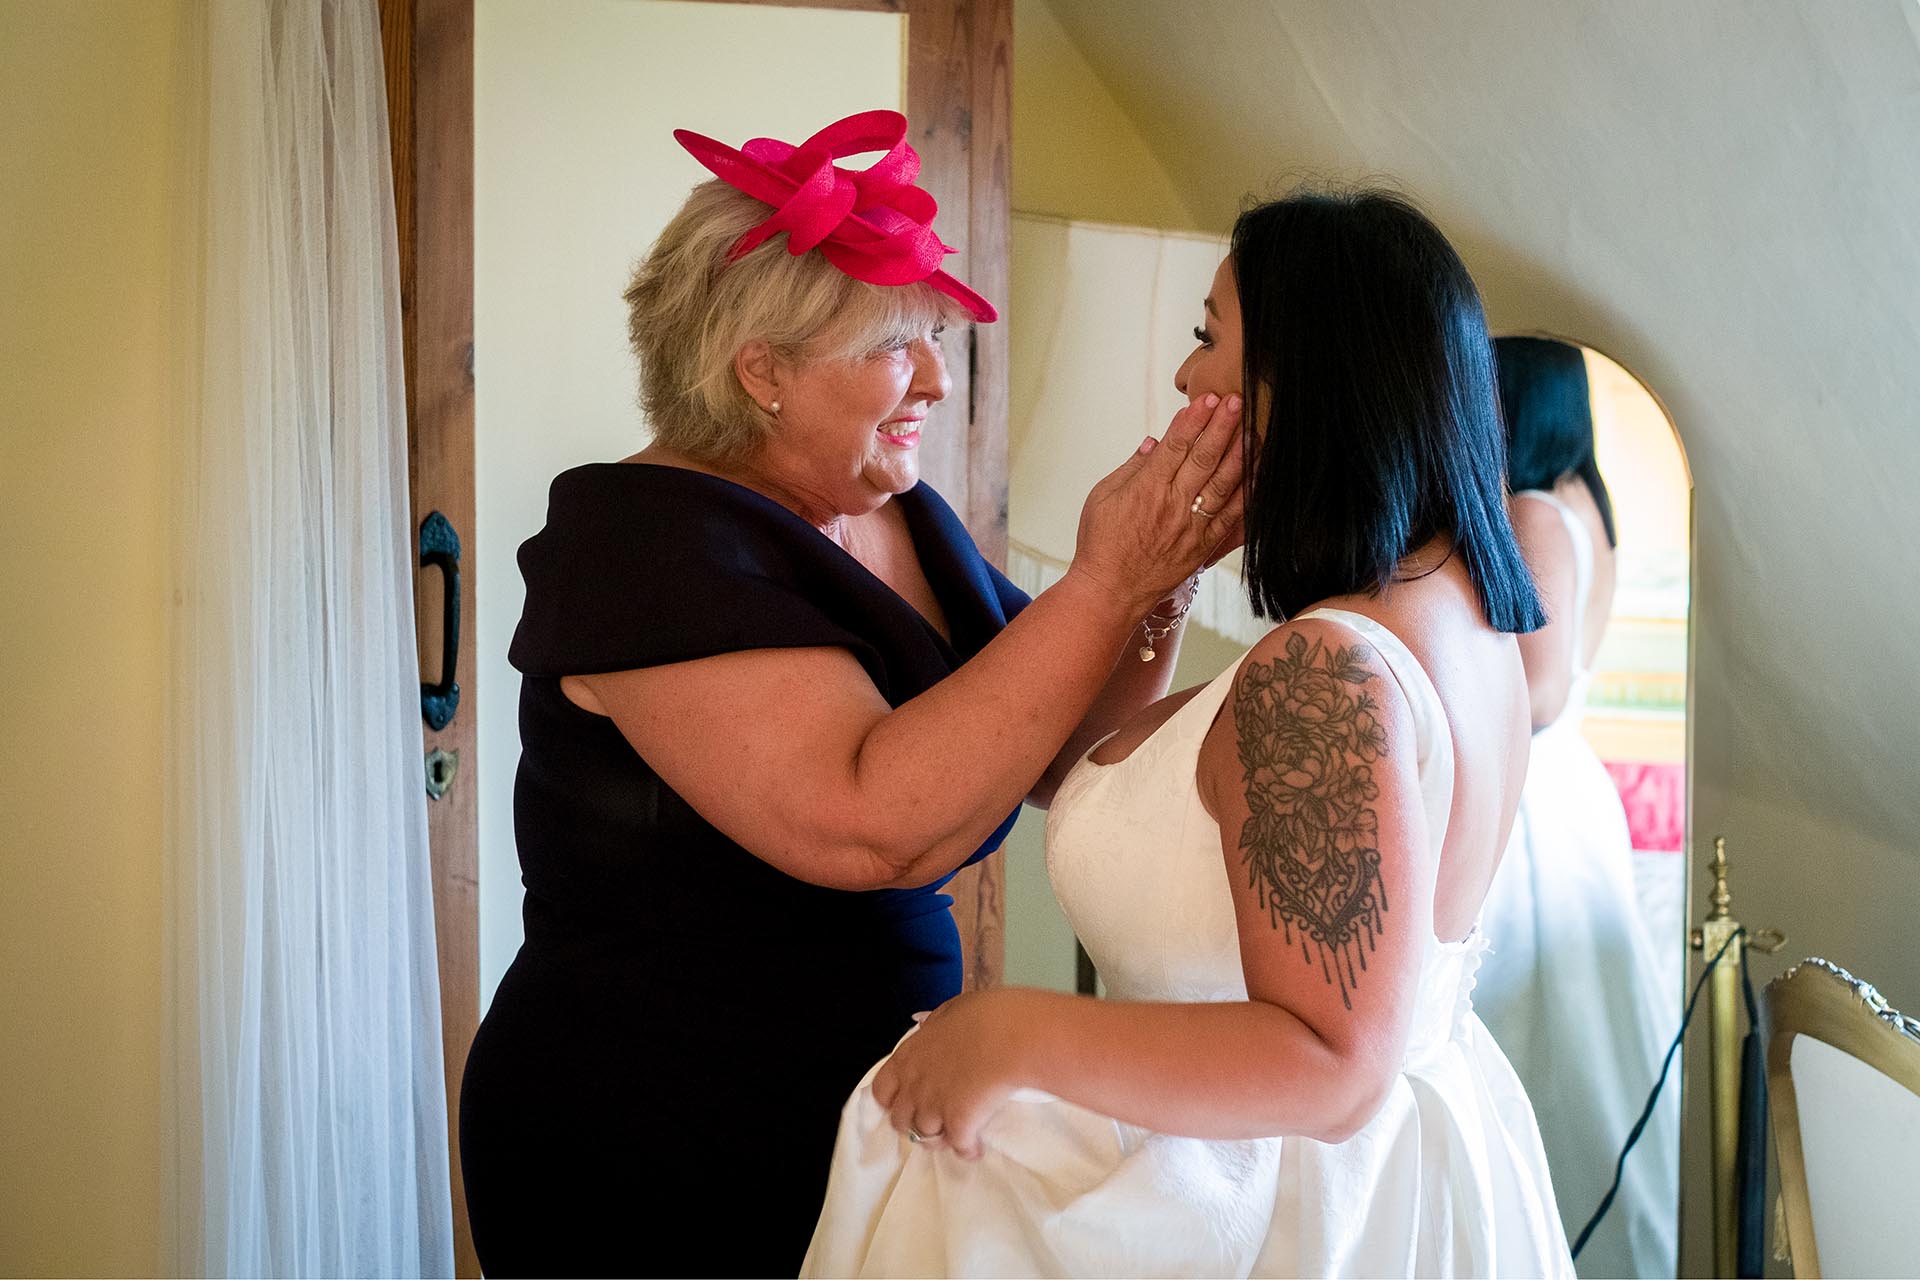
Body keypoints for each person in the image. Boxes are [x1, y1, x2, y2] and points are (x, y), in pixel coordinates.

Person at [456, 110, 1247, 1278]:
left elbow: (1059, 750)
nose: (936, 374)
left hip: (865, 1102)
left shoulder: (892, 507)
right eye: (895, 344)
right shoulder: (637, 547)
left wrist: (1157, 591)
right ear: (760, 368)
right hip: (653, 1121)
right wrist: (1103, 578)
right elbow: (869, 820)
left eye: (933, 334)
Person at [804, 189, 1574, 1278]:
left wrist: (1011, 1032)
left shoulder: (1323, 675)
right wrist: (1149, 590)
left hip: (1277, 1208)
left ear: (1302, 380)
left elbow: (1330, 1057)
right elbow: (1112, 766)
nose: (1184, 379)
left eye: (1209, 338)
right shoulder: (1458, 610)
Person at [1474, 335, 1680, 1278]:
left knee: (1545, 1050)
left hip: (1533, 813)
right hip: (1563, 799)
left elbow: (1539, 691)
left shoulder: (1532, 512)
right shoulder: (1581, 504)